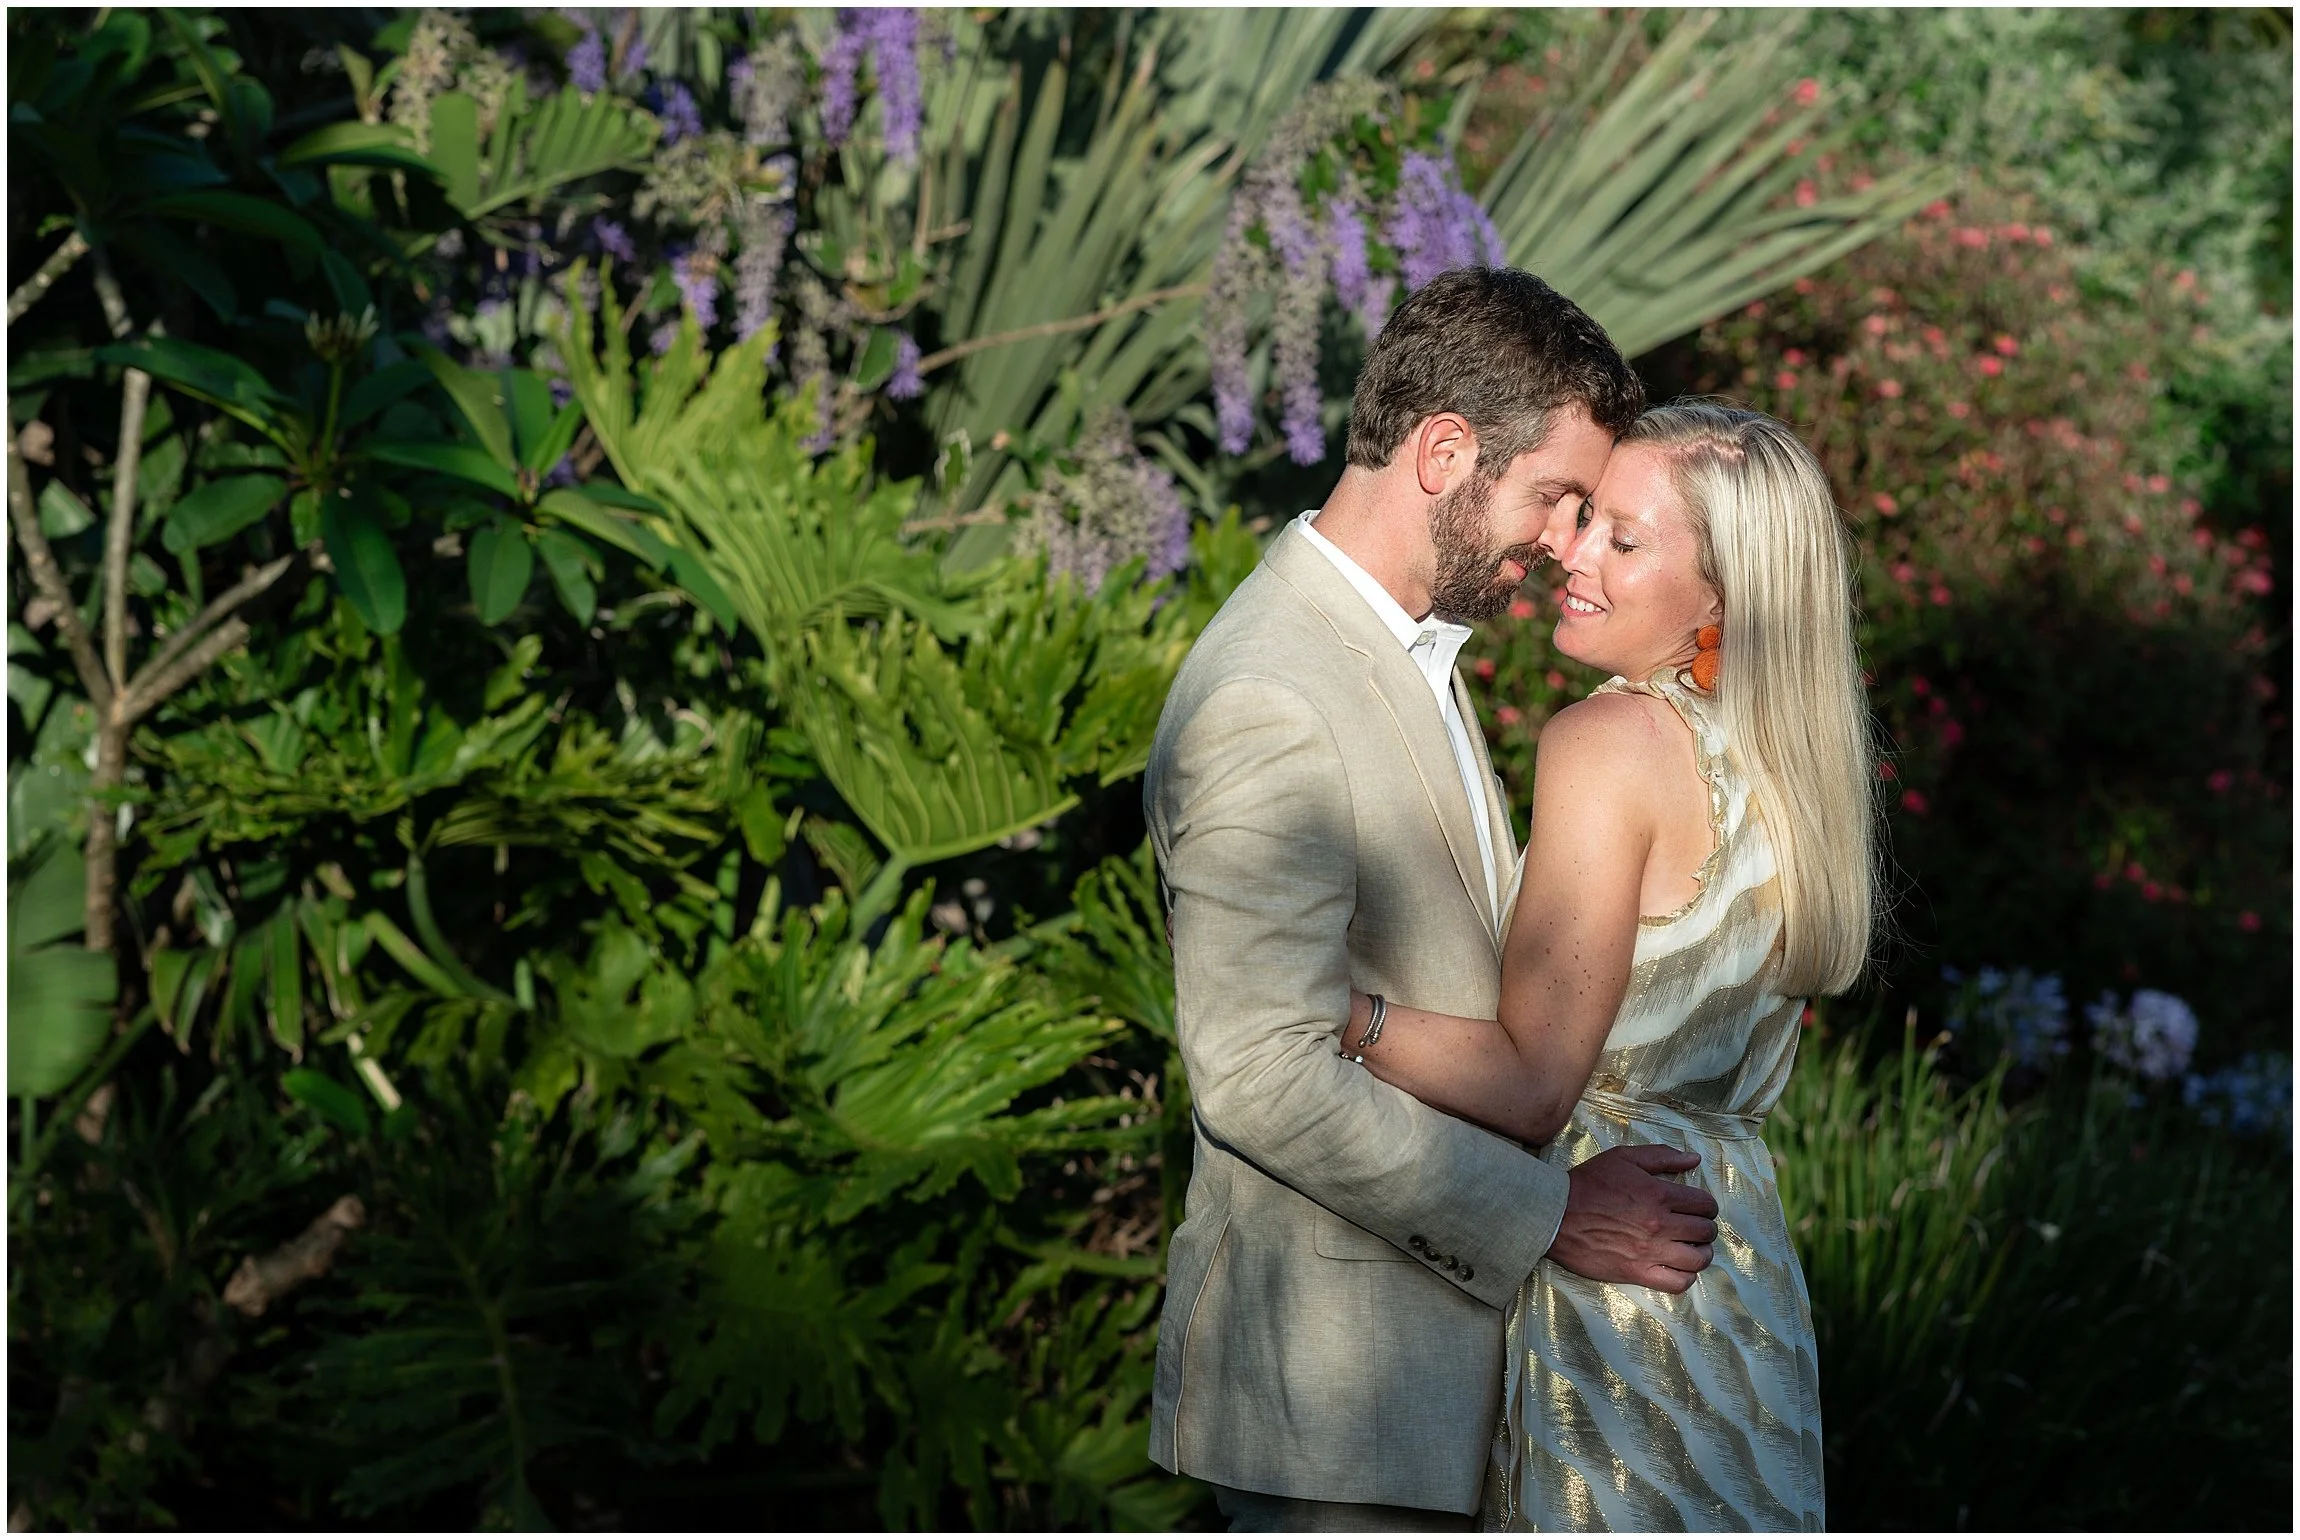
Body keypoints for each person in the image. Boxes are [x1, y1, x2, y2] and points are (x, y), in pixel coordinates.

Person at [1144, 268, 1724, 1533]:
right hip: (1333, 1401)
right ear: (1443, 450)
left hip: (1425, 1389)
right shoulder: (1272, 690)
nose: (1565, 542)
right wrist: (1550, 1212)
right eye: (1555, 499)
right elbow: (1257, 1071)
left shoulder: (1405, 648)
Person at [1334, 401, 1878, 1531]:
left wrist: (1339, 1016)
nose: (1569, 554)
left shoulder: (1607, 743)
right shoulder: (1792, 757)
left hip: (1606, 1257)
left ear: (1722, 594)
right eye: (1580, 517)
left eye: (1621, 540)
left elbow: (1534, 1076)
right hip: (1734, 1270)